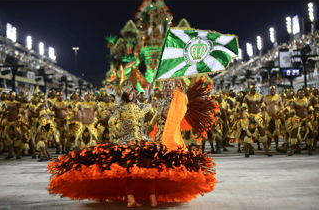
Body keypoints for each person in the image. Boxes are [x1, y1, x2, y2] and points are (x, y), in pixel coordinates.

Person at [47, 79, 217, 207]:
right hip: (127, 142)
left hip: (144, 140)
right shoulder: (120, 109)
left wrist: (173, 100)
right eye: (129, 92)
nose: (132, 93)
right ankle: (131, 199)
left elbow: (155, 116)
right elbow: (112, 122)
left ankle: (151, 198)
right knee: (130, 171)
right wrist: (118, 132)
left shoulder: (142, 107)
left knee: (150, 169)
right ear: (125, 94)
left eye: (133, 91)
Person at [241, 85, 272, 157]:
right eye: (253, 88)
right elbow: (244, 107)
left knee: (262, 133)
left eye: (255, 88)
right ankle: (247, 151)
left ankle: (266, 150)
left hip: (258, 117)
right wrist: (248, 116)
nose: (254, 89)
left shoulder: (260, 96)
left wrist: (263, 114)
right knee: (249, 134)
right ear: (250, 89)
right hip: (251, 117)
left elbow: (263, 106)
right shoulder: (247, 97)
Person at [288, 89, 314, 156]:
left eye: (303, 93)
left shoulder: (308, 101)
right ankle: (292, 150)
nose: (302, 94)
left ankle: (308, 150)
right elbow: (292, 112)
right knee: (294, 134)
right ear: (298, 94)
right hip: (297, 119)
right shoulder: (294, 102)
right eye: (300, 93)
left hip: (306, 119)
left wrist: (310, 116)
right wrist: (295, 118)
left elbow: (310, 110)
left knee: (309, 133)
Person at [264, 86, 284, 151]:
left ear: (275, 90)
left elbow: (282, 108)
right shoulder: (265, 98)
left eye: (273, 90)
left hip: (276, 117)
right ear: (269, 91)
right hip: (268, 117)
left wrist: (278, 115)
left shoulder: (279, 98)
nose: (272, 91)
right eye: (271, 90)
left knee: (276, 133)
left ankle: (277, 146)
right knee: (268, 133)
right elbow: (263, 107)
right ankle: (268, 146)